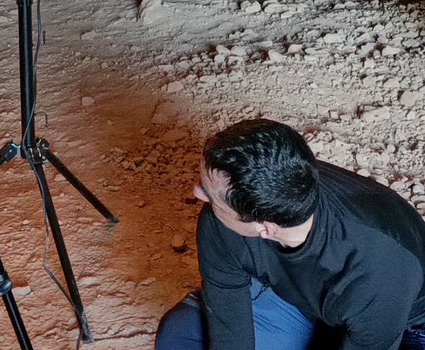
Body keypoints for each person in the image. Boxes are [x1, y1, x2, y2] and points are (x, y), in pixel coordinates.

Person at [156, 119, 425, 350]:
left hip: (399, 326)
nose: (197, 193)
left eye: (209, 193)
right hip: (304, 305)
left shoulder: (380, 268)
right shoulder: (225, 218)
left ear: (265, 228)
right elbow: (228, 320)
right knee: (181, 332)